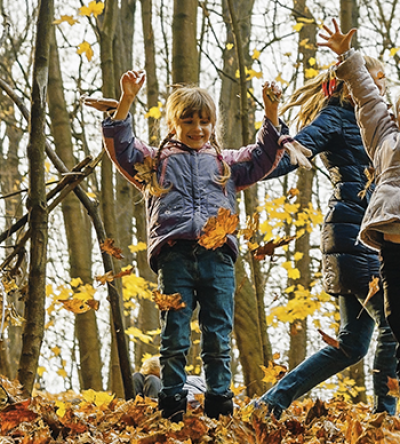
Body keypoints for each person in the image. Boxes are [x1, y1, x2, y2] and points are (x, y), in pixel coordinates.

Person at [83, 69, 311, 422]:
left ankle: (219, 404)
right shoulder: (156, 162)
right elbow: (122, 148)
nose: (197, 129)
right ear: (174, 124)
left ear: (213, 125)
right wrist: (127, 98)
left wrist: (271, 113)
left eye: (204, 122)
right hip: (174, 256)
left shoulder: (225, 163)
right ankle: (171, 404)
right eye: (188, 121)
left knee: (217, 336)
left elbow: (264, 156)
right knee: (174, 337)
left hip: (217, 258)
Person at [250, 51, 398, 418]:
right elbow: (287, 157)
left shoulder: (377, 123)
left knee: (351, 345)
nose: (379, 84)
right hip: (354, 235)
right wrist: (253, 163)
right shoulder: (336, 117)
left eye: (380, 79)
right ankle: (386, 415)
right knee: (393, 325)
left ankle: (272, 402)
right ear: (350, 83)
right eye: (371, 78)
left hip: (364, 235)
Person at [319, 17, 400, 387]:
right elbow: (368, 97)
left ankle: (389, 412)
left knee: (366, 336)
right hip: (389, 243)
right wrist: (348, 57)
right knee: (394, 322)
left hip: (379, 241)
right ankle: (389, 410)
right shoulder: (383, 134)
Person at [133, 356, 207, 408]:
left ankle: (150, 411)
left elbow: (192, 402)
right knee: (136, 376)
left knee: (152, 380)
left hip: (173, 405)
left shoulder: (189, 383)